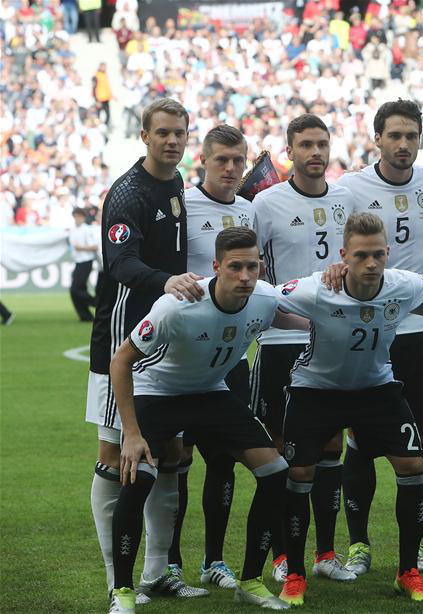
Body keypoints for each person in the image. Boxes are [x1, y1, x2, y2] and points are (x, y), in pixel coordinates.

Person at [274, 212, 423, 605]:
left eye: (378, 254)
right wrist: (298, 324)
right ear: (344, 256)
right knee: (300, 471)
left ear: (388, 253)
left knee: (414, 466)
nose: (371, 264)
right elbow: (266, 300)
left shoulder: (401, 285)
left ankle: (407, 571)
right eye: (360, 256)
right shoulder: (317, 289)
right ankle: (296, 574)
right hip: (316, 390)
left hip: (376, 388)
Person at [106, 226, 307, 614]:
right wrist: (130, 433)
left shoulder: (264, 298)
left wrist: (319, 323)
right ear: (216, 267)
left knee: (276, 471)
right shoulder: (177, 305)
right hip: (159, 393)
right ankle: (123, 591)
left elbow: (291, 315)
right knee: (138, 476)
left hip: (212, 392)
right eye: (235, 267)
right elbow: (121, 359)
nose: (245, 277)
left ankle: (249, 581)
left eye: (253, 267)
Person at [86, 98, 208, 607]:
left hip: (167, 334)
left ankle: (158, 571)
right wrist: (168, 282)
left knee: (172, 454)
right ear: (144, 136)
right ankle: (118, 581)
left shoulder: (177, 183)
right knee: (117, 456)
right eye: (163, 132)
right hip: (123, 335)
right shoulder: (128, 193)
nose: (173, 140)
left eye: (180, 132)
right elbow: (120, 263)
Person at [336, 99, 423, 575]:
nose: (403, 145)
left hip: (418, 331)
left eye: (412, 136)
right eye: (394, 135)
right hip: (366, 330)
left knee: (416, 440)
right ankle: (357, 544)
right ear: (376, 137)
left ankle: (412, 548)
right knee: (358, 437)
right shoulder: (350, 188)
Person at [250, 114, 358, 583]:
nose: (315, 152)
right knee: (280, 447)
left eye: (321, 144)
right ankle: (279, 554)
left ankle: (326, 553)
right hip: (282, 340)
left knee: (331, 443)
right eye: (305, 145)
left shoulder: (347, 198)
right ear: (289, 152)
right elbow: (251, 271)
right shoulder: (266, 202)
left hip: (335, 343)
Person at [164, 124, 255, 589]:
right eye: (221, 159)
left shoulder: (249, 210)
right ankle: (172, 560)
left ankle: (214, 560)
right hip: (182, 356)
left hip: (229, 356)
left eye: (238, 160)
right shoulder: (182, 205)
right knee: (176, 459)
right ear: (203, 161)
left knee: (222, 459)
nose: (231, 168)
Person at [70, 207, 100, 322]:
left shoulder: (87, 230)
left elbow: (94, 246)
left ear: (83, 217)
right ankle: (85, 316)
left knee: (75, 289)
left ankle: (96, 303)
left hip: (86, 261)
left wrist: (80, 248)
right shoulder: (73, 230)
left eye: (79, 216)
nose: (77, 219)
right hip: (78, 262)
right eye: (75, 216)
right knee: (78, 289)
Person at [94, 63, 112, 127]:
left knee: (108, 115)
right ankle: (97, 127)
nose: (104, 68)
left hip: (106, 99)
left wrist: (111, 95)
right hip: (100, 99)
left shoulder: (105, 75)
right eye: (103, 67)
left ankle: (104, 127)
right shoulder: (96, 76)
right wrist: (96, 100)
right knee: (98, 115)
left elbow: (107, 87)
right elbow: (94, 88)